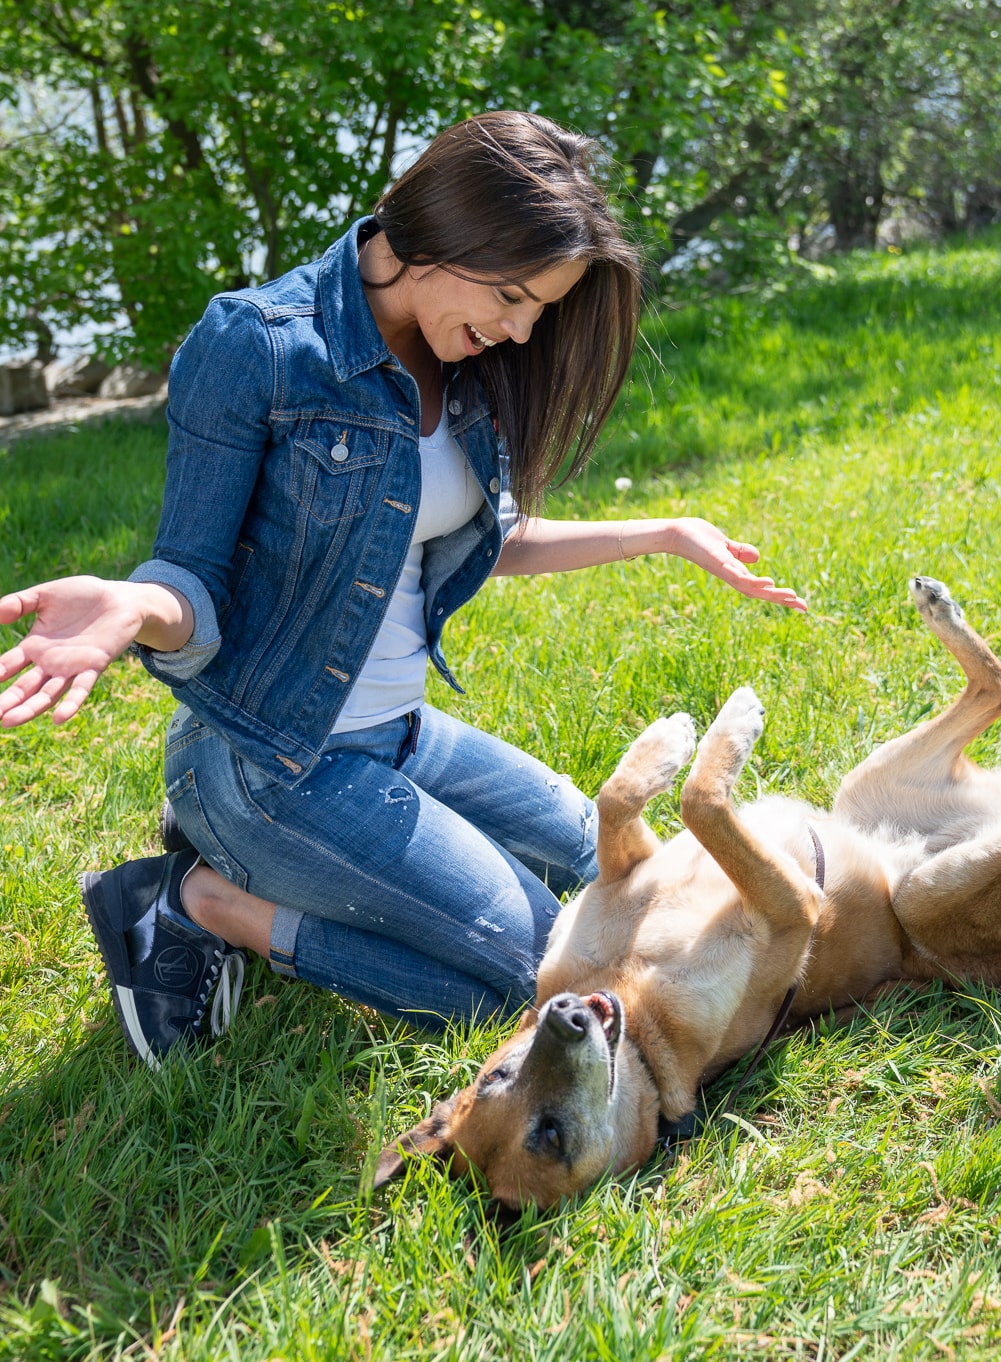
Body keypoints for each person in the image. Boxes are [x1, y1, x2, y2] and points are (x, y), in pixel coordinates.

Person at [0, 112, 804, 1068]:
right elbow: (192, 578)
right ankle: (198, 902)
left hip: (403, 737)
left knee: (626, 878)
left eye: (539, 309)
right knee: (544, 975)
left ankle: (246, 868)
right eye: (512, 296)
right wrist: (137, 605)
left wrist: (663, 534)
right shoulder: (260, 344)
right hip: (268, 762)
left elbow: (471, 538)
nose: (520, 329)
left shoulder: (463, 357)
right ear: (443, 233)